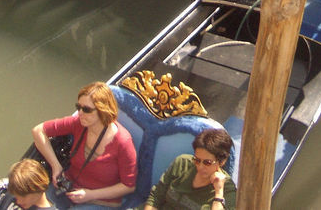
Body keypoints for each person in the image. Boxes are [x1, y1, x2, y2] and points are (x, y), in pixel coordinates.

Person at [32, 81, 137, 209]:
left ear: (103, 110)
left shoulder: (123, 142)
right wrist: (56, 166)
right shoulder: (79, 123)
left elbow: (129, 186)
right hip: (69, 188)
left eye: (86, 109)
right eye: (78, 107)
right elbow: (38, 131)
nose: (80, 113)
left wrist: (90, 195)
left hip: (100, 201)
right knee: (34, 201)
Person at [144, 128, 237, 210]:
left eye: (207, 162)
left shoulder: (228, 190)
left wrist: (219, 193)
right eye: (197, 160)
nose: (200, 166)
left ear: (222, 161)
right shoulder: (182, 163)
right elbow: (156, 197)